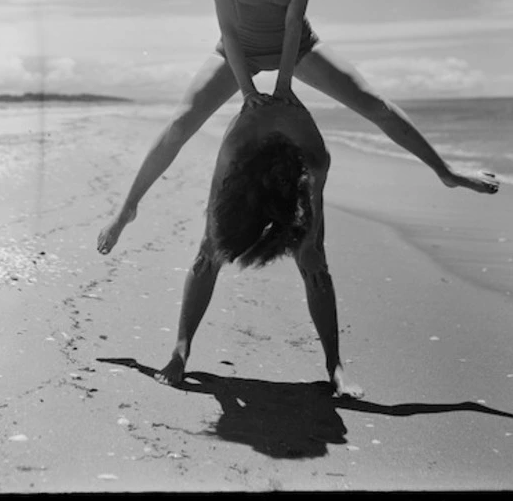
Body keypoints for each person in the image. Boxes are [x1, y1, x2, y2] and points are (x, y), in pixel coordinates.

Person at [97, 0, 498, 256]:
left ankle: (445, 172)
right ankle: (128, 207)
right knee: (182, 121)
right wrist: (249, 90)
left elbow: (293, 17)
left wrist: (285, 82)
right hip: (241, 48)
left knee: (375, 104)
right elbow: (229, 28)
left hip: (299, 44)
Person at [154, 97, 365, 399]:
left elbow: (313, 203)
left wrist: (309, 244)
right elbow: (216, 224)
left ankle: (335, 366)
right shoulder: (233, 157)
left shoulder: (313, 159)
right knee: (208, 252)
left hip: (294, 155)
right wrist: (123, 214)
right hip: (248, 154)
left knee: (315, 262)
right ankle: (180, 349)